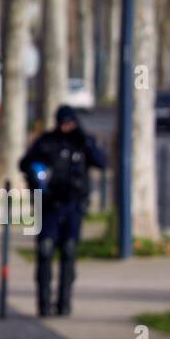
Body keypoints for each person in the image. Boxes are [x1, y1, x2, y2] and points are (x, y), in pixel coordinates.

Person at [19, 104, 106, 316]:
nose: (67, 127)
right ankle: (44, 303)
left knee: (69, 250)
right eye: (63, 123)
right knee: (46, 250)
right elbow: (24, 164)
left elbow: (102, 162)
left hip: (73, 204)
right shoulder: (46, 141)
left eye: (70, 123)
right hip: (48, 205)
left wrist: (87, 142)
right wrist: (37, 177)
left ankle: (64, 303)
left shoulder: (82, 142)